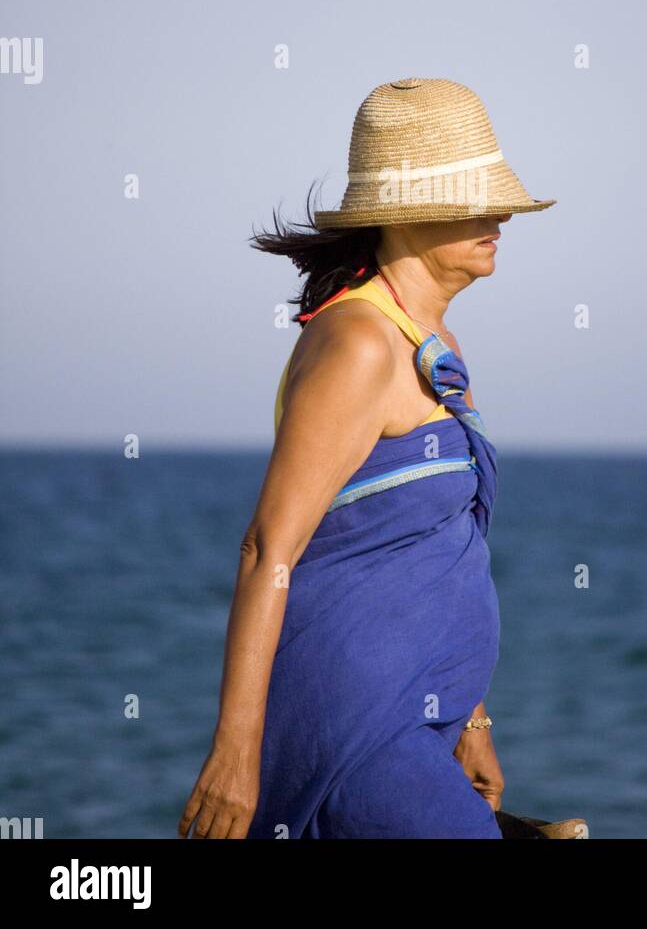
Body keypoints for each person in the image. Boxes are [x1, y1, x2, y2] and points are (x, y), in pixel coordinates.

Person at [177, 77, 555, 839]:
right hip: (353, 731)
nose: (502, 214)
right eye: (474, 199)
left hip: (419, 727)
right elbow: (267, 549)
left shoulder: (434, 346)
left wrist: (471, 725)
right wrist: (234, 754)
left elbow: (442, 545)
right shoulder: (357, 343)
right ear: (405, 215)